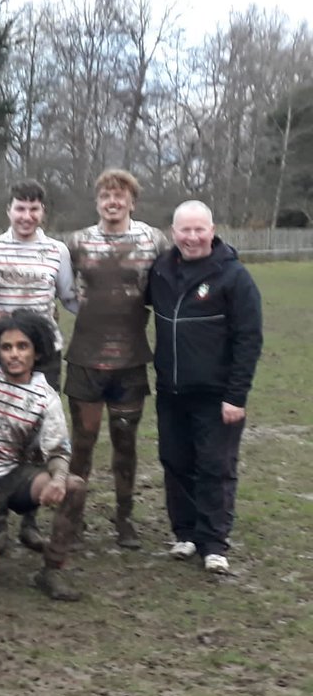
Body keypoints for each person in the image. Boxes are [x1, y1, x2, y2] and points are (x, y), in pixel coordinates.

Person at [148, 201, 262, 575]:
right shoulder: (161, 270)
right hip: (171, 390)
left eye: (200, 230)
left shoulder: (234, 277)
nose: (192, 237)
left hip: (217, 395)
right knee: (176, 462)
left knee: (216, 467)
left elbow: (249, 339)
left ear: (212, 231)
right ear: (173, 232)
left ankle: (214, 543)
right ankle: (186, 533)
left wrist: (236, 395)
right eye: (185, 230)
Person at [62, 170, 170, 549]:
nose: (113, 202)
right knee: (83, 443)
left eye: (120, 196)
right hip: (86, 360)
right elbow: (63, 291)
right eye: (106, 195)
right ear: (97, 201)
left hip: (130, 361)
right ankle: (72, 521)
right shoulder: (76, 242)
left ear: (131, 202)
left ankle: (124, 521)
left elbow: (168, 287)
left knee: (125, 443)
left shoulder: (154, 240)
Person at [0, 180, 75, 552]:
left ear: (42, 212)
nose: (27, 216)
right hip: (1, 354)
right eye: (20, 208)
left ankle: (29, 520)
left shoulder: (57, 251)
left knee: (37, 435)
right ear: (9, 210)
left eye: (34, 209)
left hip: (46, 356)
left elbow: (69, 297)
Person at [0, 313, 87, 602]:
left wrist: (57, 478)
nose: (14, 354)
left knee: (75, 486)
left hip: (15, 479)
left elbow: (57, 450)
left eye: (22, 346)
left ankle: (51, 569)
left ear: (37, 350)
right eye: (7, 347)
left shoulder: (46, 397)